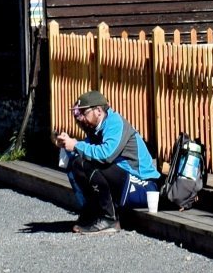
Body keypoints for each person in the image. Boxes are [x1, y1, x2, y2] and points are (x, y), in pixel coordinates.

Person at [52, 91, 161, 235]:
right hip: (125, 180)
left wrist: (77, 145)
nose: (80, 118)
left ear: (98, 110)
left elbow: (106, 155)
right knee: (76, 161)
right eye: (78, 114)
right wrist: (67, 144)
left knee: (87, 163)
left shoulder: (115, 123)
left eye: (83, 112)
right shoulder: (97, 129)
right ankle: (93, 213)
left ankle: (108, 218)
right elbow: (85, 150)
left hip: (144, 185)